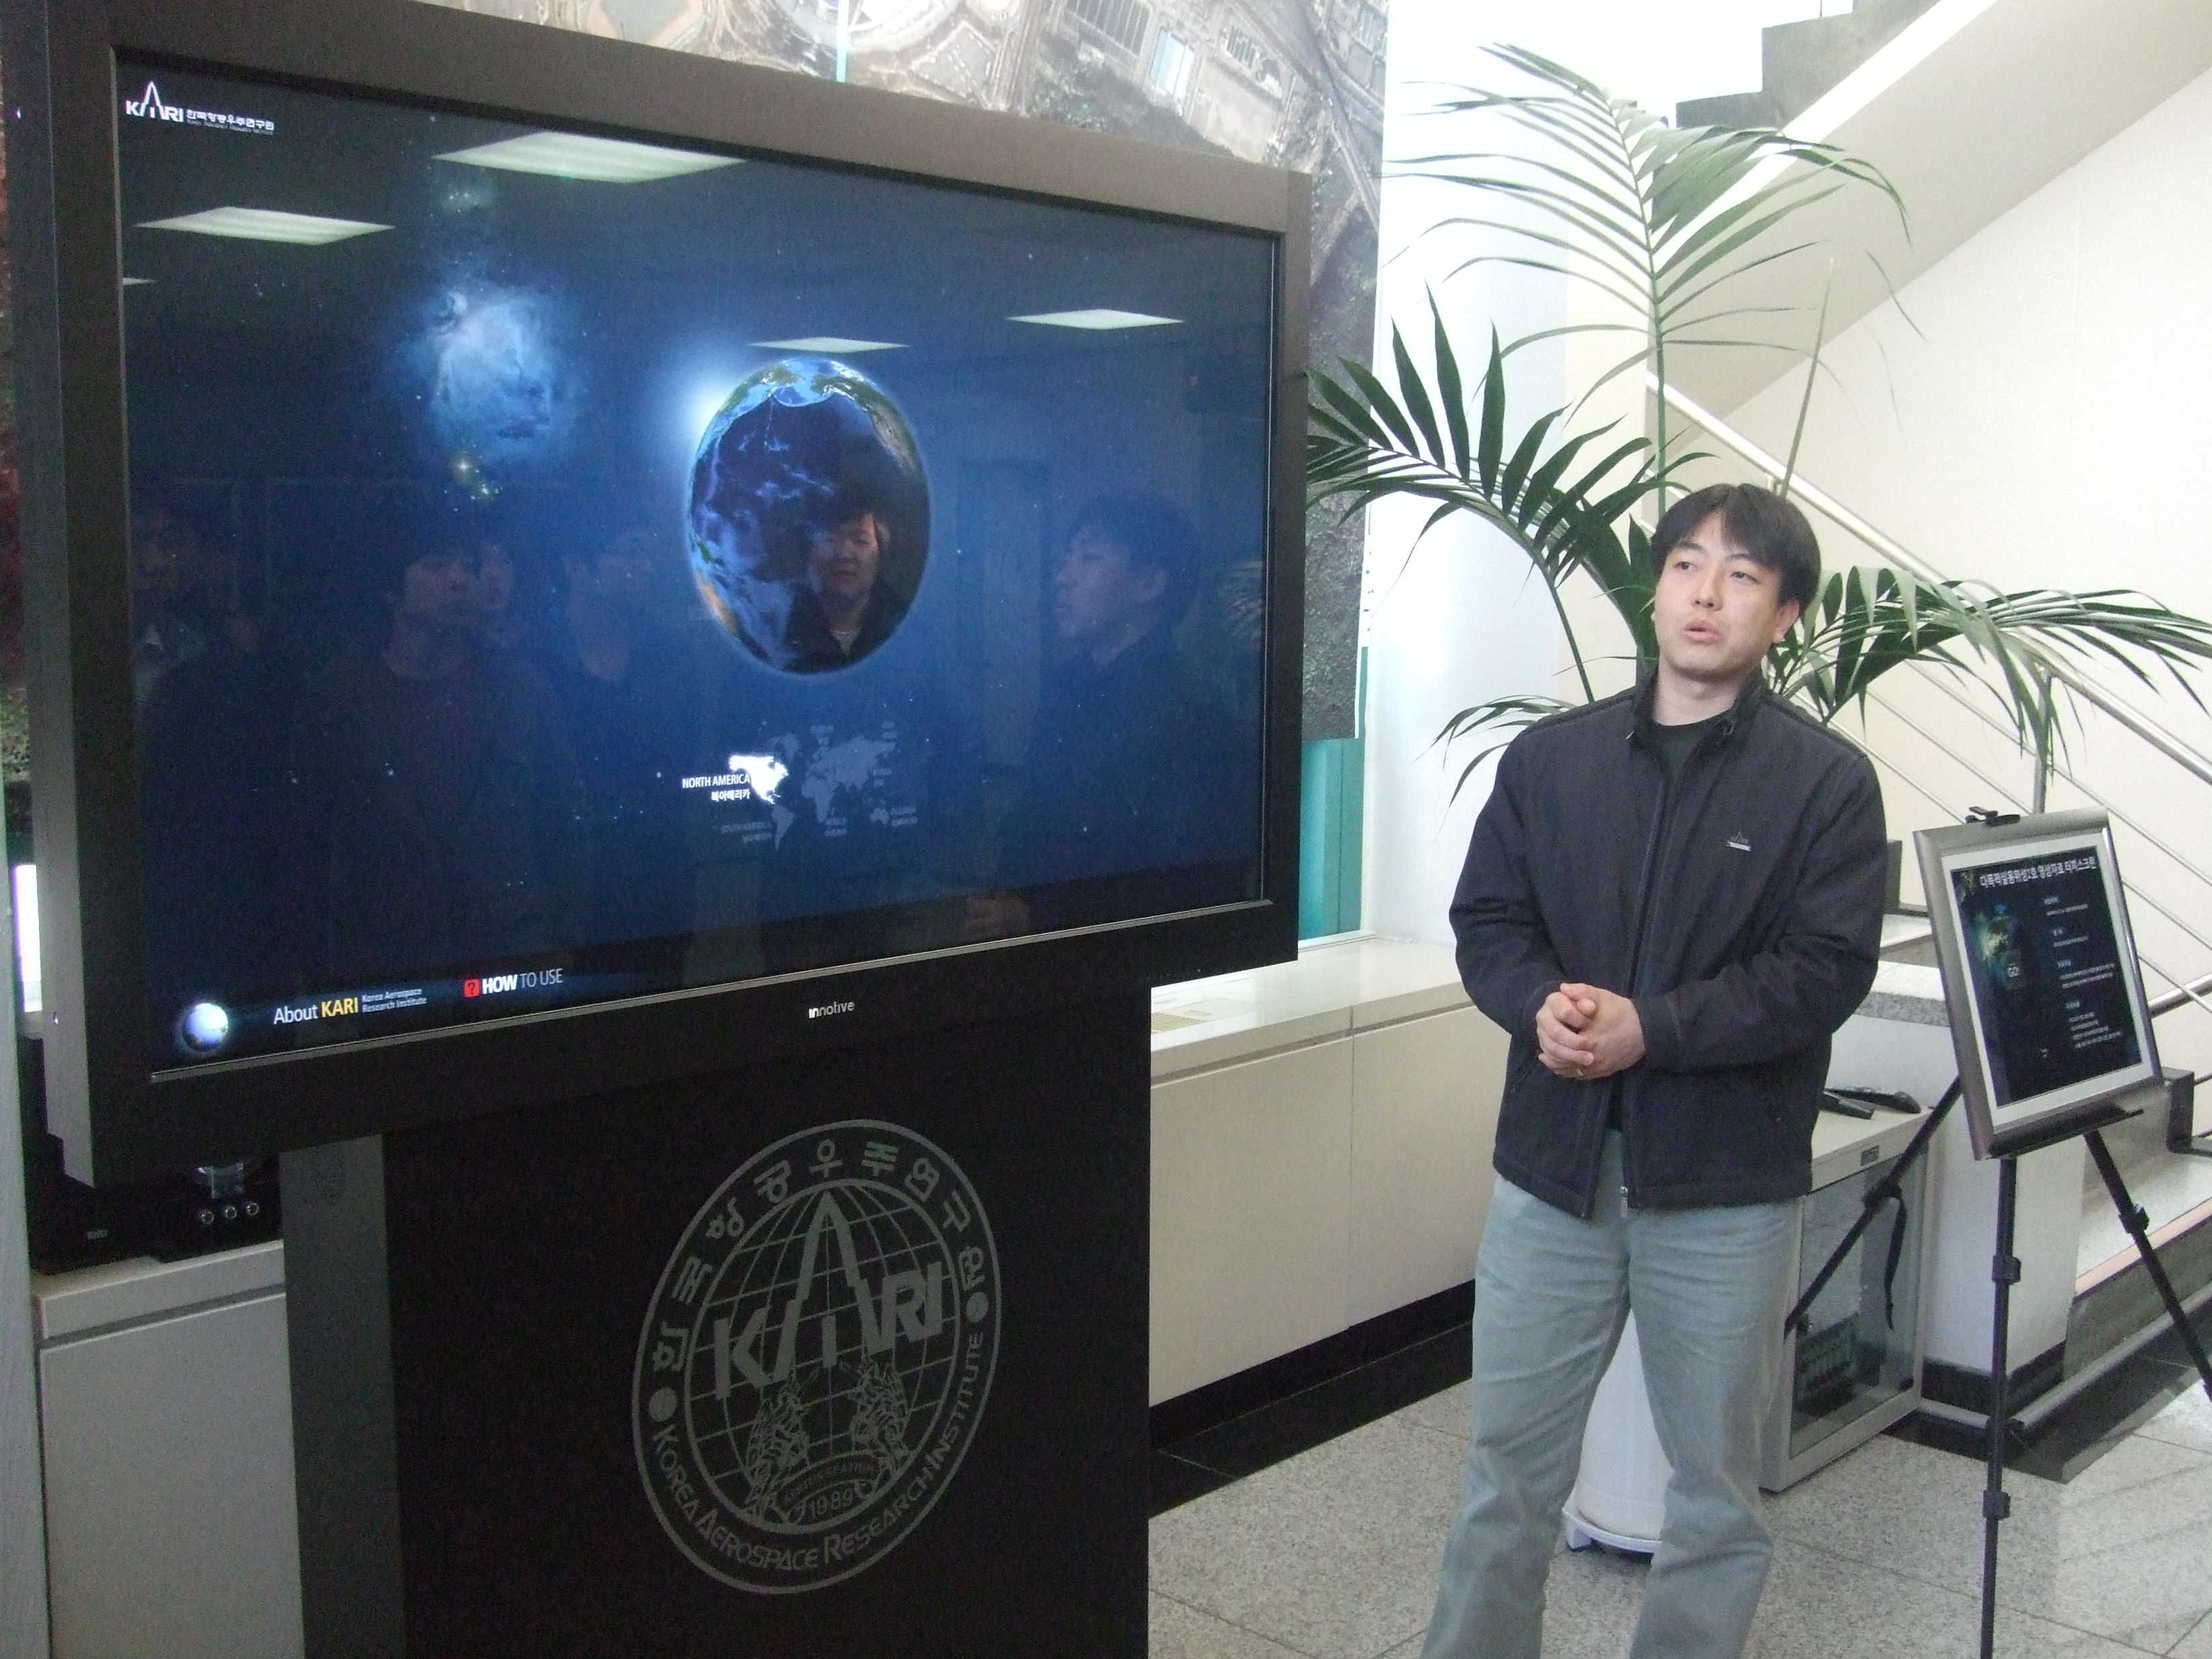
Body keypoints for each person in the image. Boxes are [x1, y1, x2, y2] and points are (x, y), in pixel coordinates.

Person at [1422, 482, 1886, 1659]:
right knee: (1506, 1475)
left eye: (1741, 576)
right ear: (1658, 587)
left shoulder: (1825, 785)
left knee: (1715, 1493)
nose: (1705, 593)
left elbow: (1821, 972)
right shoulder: (1553, 759)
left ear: (1784, 614)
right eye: (1686, 565)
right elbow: (1489, 921)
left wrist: (1654, 1030)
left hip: (1724, 1188)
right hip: (1554, 1172)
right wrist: (1538, 1004)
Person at [286, 505, 587, 988]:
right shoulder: (339, 698)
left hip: (507, 955)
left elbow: (563, 816)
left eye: (468, 565)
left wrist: (564, 938)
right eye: (435, 565)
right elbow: (307, 843)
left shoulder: (519, 687)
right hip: (386, 962)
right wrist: (314, 971)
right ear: (390, 586)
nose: (460, 580)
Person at [976, 493, 1252, 935]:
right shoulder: (1068, 685)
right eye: (1066, 559)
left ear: (1149, 584)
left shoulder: (1195, 714)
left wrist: (1040, 916)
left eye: (1089, 558)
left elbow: (1184, 883)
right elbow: (1035, 819)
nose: (1062, 578)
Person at [779, 492, 908, 673]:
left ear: (881, 555)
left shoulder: (906, 632)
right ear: (810, 551)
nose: (844, 555)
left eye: (860, 541)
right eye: (830, 539)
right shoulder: (776, 628)